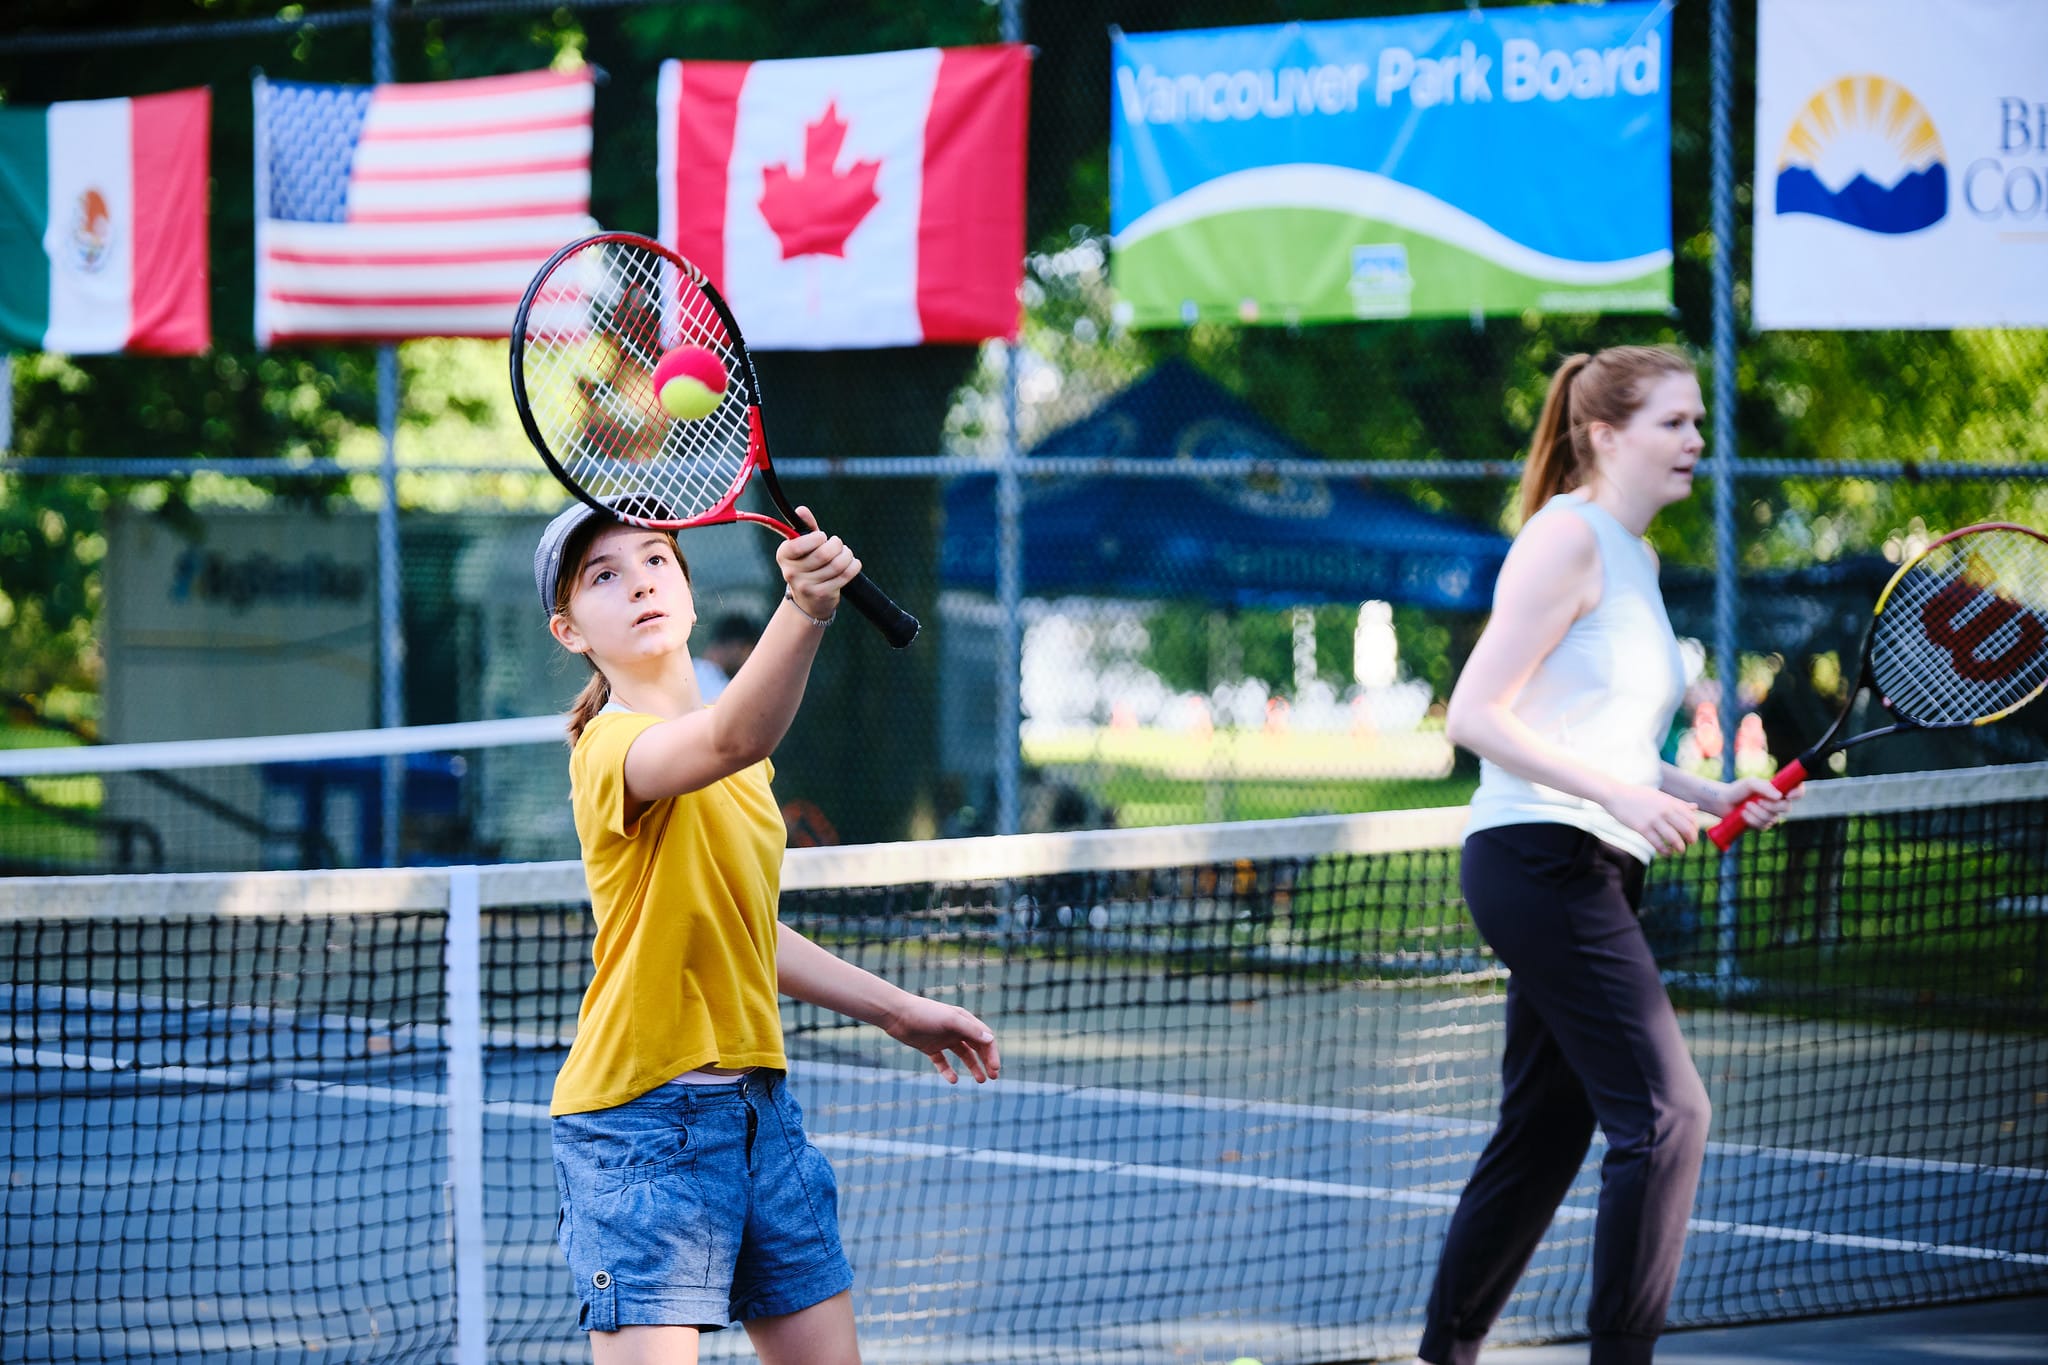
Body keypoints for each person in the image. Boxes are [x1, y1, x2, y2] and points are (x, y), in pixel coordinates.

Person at [535, 494, 1000, 1365]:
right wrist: (808, 608)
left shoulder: (744, 767)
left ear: (689, 589)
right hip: (643, 1126)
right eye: (605, 575)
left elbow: (746, 928)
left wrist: (898, 1011)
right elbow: (734, 732)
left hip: (761, 1116)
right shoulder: (610, 748)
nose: (639, 583)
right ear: (571, 631)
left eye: (656, 561)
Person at [1413, 347, 1797, 1365]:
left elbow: (1604, 737)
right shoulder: (1564, 540)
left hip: (1586, 855)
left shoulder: (1632, 555)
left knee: (1543, 1133)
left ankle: (1442, 1353)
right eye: (1672, 422)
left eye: (1695, 424)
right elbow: (1474, 714)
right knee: (1668, 1117)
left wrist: (1705, 791)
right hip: (1537, 856)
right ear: (1601, 434)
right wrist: (1619, 794)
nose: (1695, 443)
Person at [693, 612, 762, 702]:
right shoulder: (709, 675)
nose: (749, 659)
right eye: (749, 651)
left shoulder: (695, 668)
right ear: (736, 647)